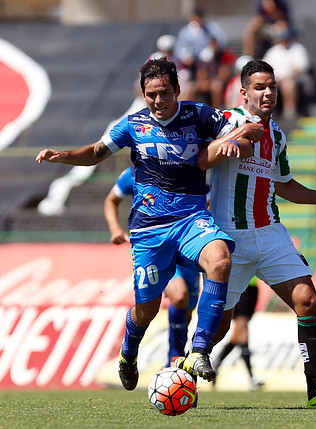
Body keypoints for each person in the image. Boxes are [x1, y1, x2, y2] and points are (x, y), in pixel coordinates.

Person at [36, 58, 263, 390]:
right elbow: (97, 152)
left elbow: (248, 137)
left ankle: (198, 349)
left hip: (192, 219)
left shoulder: (199, 115)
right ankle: (129, 352)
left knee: (220, 259)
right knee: (147, 310)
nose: (158, 101)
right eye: (151, 94)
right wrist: (64, 156)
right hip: (150, 229)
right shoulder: (132, 124)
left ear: (177, 89)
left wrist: (236, 143)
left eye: (164, 93)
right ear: (143, 94)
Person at [198, 59, 316, 409]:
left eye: (272, 87)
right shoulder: (227, 122)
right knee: (219, 326)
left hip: (270, 233)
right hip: (228, 237)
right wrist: (233, 140)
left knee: (308, 301)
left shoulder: (278, 136)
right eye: (259, 87)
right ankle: (182, 375)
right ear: (243, 92)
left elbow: (284, 185)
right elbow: (202, 161)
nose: (268, 93)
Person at [103, 166, 201, 367]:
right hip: (159, 246)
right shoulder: (133, 174)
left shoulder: (193, 167)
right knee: (179, 296)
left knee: (188, 309)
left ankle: (175, 358)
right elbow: (111, 200)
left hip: (188, 243)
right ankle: (173, 359)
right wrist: (115, 229)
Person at [211, 277, 264, 390]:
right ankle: (251, 377)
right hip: (240, 286)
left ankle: (216, 363)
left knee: (238, 336)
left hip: (252, 288)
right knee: (243, 331)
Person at [262, 27, 311, 119]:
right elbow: (265, 66)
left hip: (293, 79)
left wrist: (285, 77)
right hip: (275, 79)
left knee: (288, 84)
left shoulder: (298, 49)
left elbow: (300, 68)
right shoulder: (274, 50)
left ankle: (289, 110)